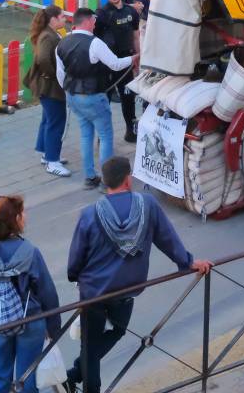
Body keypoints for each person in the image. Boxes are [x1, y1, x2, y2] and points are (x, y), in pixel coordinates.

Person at [66, 157, 212, 393]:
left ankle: (75, 377)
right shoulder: (148, 205)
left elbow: (75, 260)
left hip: (93, 292)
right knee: (118, 330)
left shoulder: (89, 214)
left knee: (90, 346)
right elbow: (167, 238)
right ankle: (74, 375)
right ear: (127, 179)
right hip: (126, 290)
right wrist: (187, 262)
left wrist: (75, 276)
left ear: (105, 182)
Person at [0, 195, 60, 393]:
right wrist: (53, 327)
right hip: (30, 321)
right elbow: (47, 293)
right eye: (23, 212)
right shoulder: (30, 252)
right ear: (17, 219)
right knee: (27, 379)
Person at [55, 7, 135, 189]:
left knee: (85, 135)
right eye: (94, 20)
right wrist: (133, 58)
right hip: (94, 96)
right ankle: (108, 182)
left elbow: (60, 75)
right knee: (105, 136)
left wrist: (69, 93)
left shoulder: (61, 43)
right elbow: (115, 64)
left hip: (73, 96)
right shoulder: (95, 43)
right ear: (88, 21)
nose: (95, 23)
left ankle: (90, 177)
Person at [24, 6, 70, 177]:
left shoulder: (49, 34)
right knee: (56, 123)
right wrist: (55, 74)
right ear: (53, 20)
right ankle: (52, 161)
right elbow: (43, 59)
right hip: (50, 88)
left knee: (48, 119)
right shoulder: (48, 37)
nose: (65, 19)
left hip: (47, 86)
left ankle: (46, 152)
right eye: (62, 17)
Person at [94, 0, 140, 145]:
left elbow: (136, 35)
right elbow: (94, 41)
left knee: (128, 98)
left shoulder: (131, 12)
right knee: (104, 100)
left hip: (126, 62)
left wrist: (138, 56)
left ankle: (131, 131)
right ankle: (102, 136)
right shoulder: (101, 14)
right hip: (106, 65)